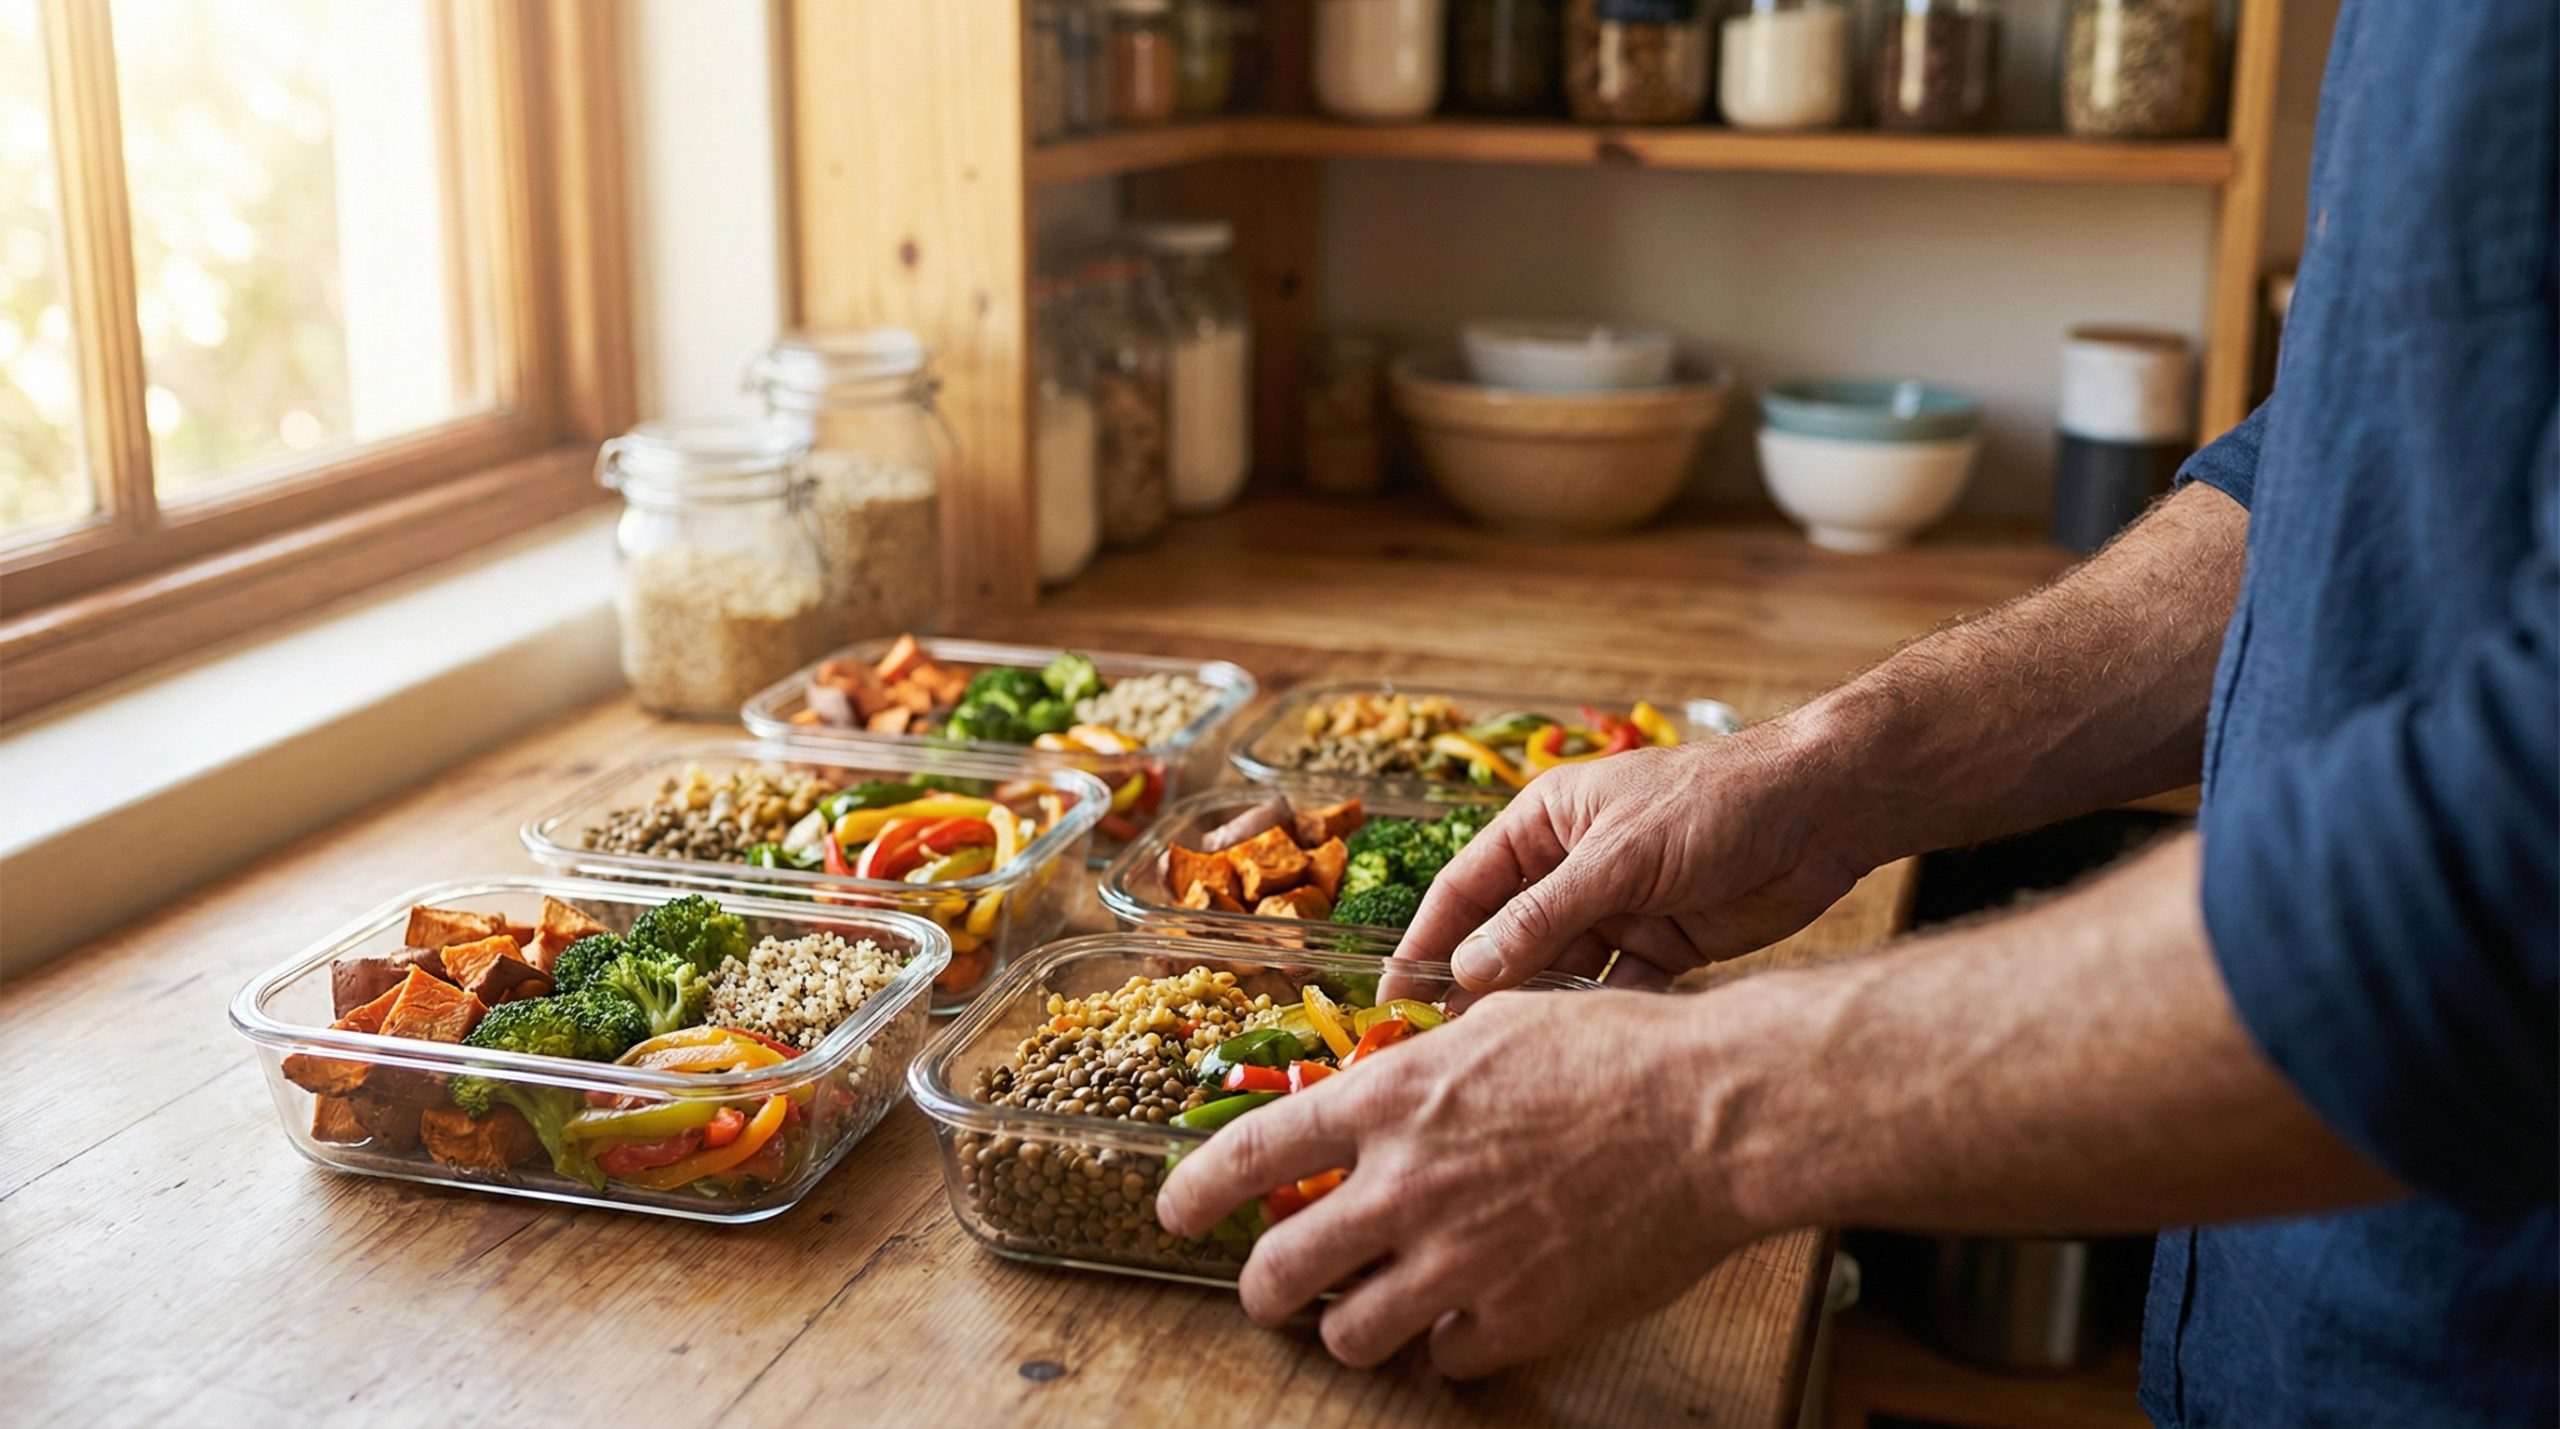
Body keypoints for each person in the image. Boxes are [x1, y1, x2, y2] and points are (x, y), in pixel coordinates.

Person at [1154, 2, 2557, 1421]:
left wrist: (1701, 1114)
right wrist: (1831, 769)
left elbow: (2525, 860)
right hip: (2283, 1317)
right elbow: (2336, 478)